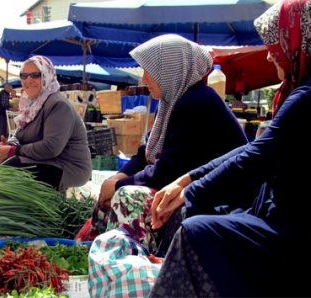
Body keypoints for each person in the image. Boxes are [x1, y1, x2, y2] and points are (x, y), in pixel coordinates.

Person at [149, 1, 311, 297]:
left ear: (301, 41)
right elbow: (261, 147)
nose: (270, 54)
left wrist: (188, 191)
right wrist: (188, 181)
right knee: (206, 216)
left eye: (277, 43)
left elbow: (257, 157)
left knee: (197, 232)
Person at [82, 34, 249, 252]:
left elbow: (168, 171)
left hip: (221, 197)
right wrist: (117, 177)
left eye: (148, 71)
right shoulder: (175, 101)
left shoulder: (196, 102)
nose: (143, 79)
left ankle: (130, 265)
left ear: (169, 70)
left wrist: (118, 186)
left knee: (128, 196)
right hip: (191, 187)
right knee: (111, 191)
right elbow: (146, 153)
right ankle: (96, 255)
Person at [0, 55, 92, 192]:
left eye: (35, 75)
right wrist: (9, 145)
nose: (28, 80)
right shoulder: (30, 104)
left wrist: (13, 151)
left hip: (67, 167)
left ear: (47, 76)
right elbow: (19, 137)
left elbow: (51, 148)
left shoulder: (58, 105)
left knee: (11, 167)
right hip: (43, 160)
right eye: (24, 76)